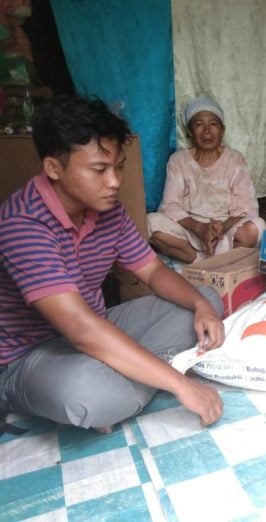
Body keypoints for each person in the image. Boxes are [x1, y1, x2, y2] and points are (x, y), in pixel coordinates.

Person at [0, 95, 226, 435]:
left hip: (99, 326)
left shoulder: (108, 210)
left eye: (118, 167)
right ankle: (127, 383)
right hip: (30, 355)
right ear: (53, 168)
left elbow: (154, 271)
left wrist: (199, 306)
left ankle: (123, 384)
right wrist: (180, 384)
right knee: (85, 394)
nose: (115, 182)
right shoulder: (22, 223)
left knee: (206, 300)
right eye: (99, 170)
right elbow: (79, 329)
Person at [148, 95, 266, 264]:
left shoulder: (235, 159)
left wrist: (221, 228)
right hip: (190, 231)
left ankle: (211, 258)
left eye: (213, 124)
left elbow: (246, 207)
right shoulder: (178, 160)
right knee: (150, 222)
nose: (207, 131)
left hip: (225, 233)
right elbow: (170, 205)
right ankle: (203, 259)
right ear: (190, 131)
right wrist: (199, 228)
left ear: (222, 130)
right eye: (198, 125)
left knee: (258, 227)